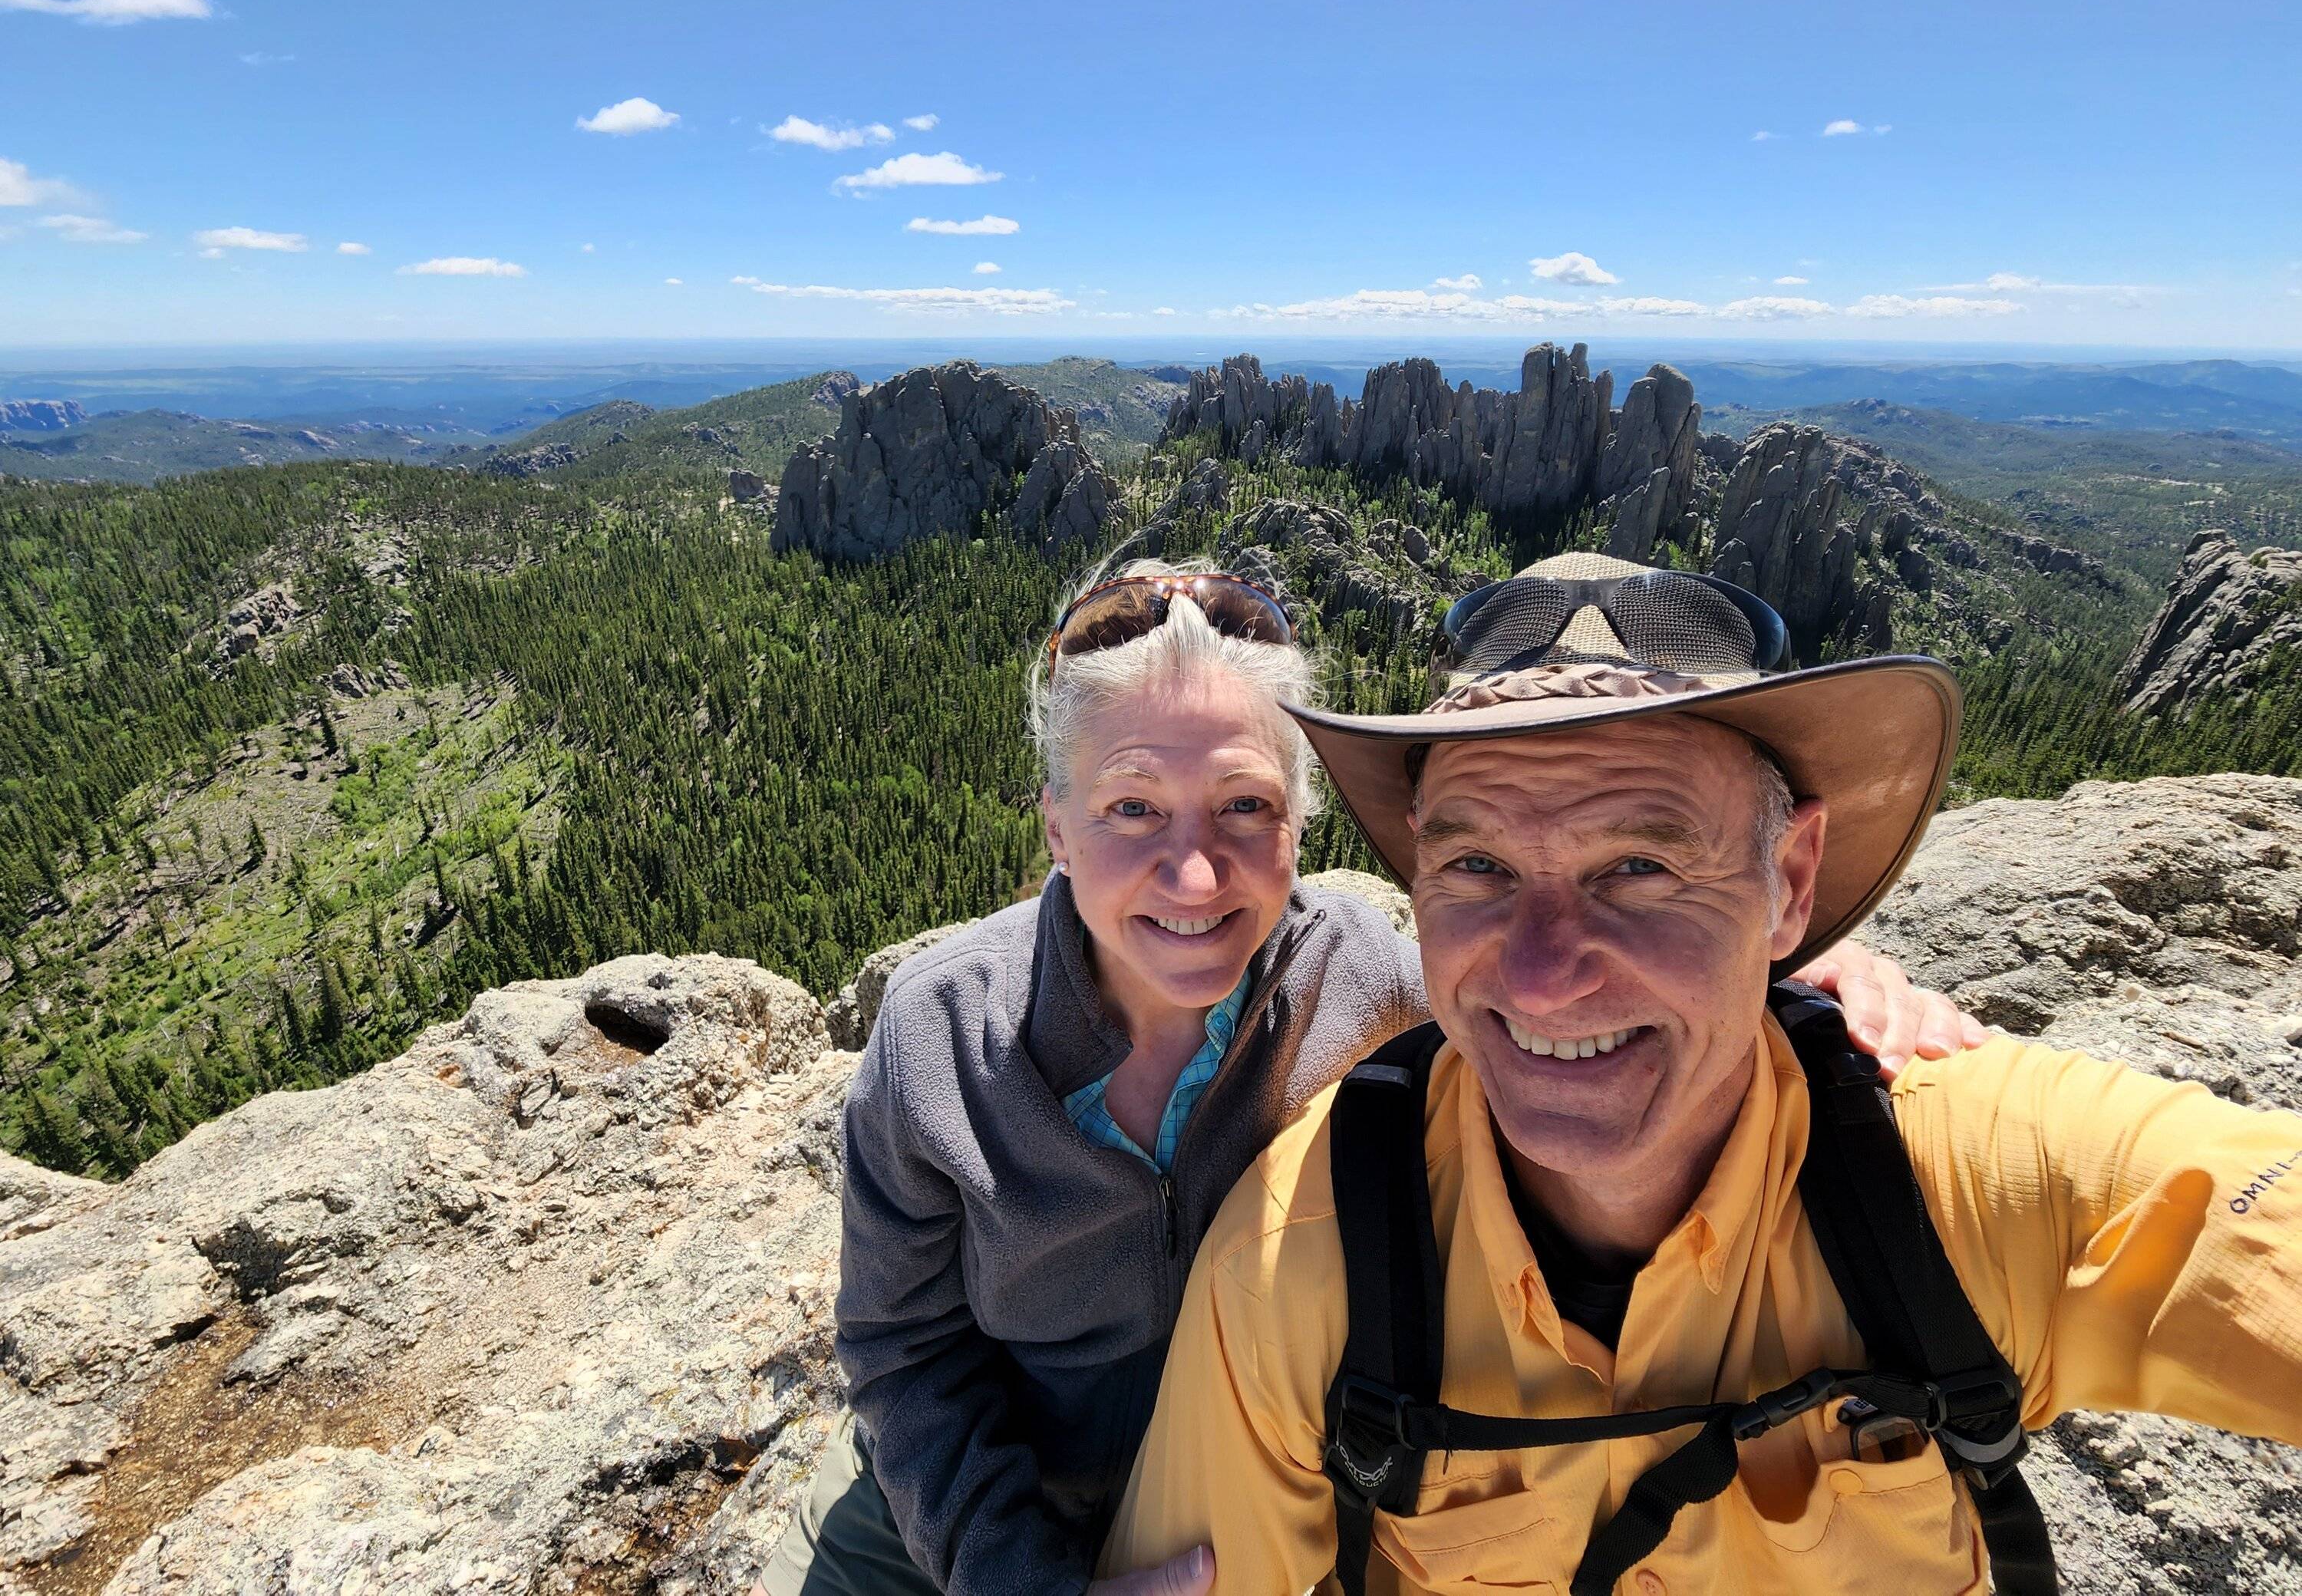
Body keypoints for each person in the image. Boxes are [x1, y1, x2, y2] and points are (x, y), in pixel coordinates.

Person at [763, 556, 1983, 1596]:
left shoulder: (1374, 986)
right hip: (951, 1527)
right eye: (1133, 807)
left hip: (1260, 1510)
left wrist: (1785, 973)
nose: (1194, 877)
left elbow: (1546, 991)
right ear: (1056, 827)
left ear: (1303, 825)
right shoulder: (941, 1041)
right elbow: (904, 1355)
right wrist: (1016, 1574)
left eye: (1244, 805)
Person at [1099, 551, 2302, 1595]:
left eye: (1638, 865)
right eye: (1476, 865)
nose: (1542, 971)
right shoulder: (1304, 1255)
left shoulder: (1968, 1177)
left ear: (1790, 880)